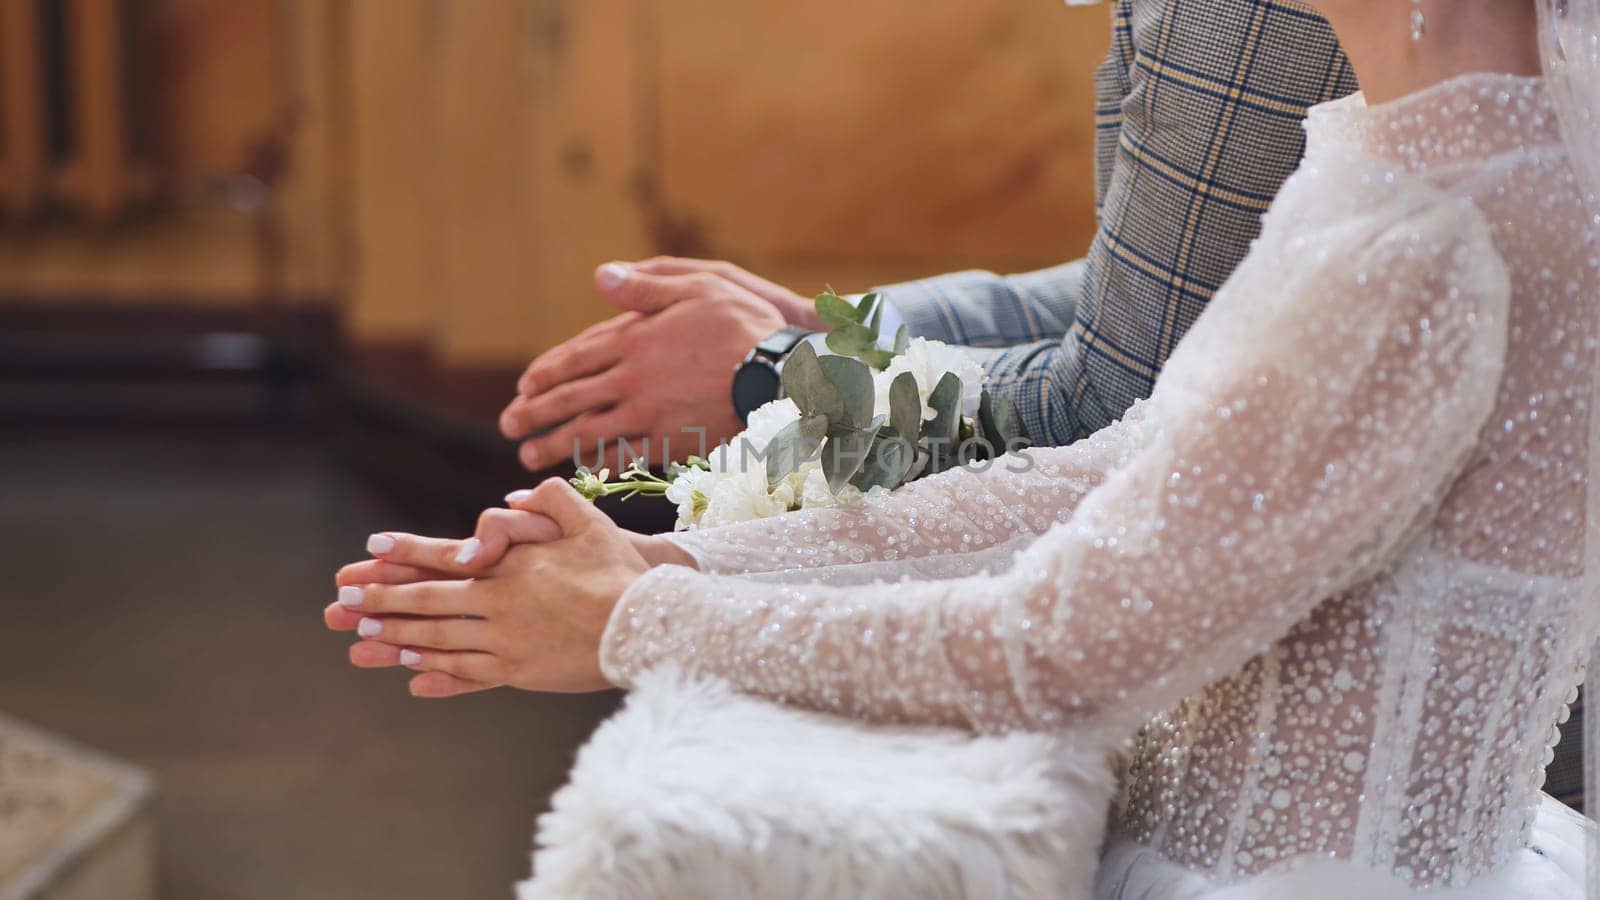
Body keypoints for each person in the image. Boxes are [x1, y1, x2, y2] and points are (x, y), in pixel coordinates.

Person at [327, 0, 1600, 895]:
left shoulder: (1429, 236)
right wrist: (682, 575)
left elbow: (1057, 636)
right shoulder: (1413, 154)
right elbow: (1132, 459)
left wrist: (636, 625)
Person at [496, 0, 1356, 472]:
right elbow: (1172, 284)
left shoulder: (1246, 15)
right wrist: (832, 326)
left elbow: (1122, 407)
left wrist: (777, 375)